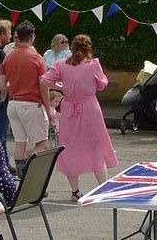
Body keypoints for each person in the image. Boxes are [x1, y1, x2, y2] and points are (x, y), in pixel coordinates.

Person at [41, 34, 116, 200]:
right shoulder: (93, 64)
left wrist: (60, 86)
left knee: (69, 147)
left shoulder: (61, 64)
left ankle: (75, 191)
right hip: (90, 107)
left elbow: (43, 81)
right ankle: (103, 188)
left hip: (69, 108)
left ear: (73, 48)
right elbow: (102, 85)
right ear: (88, 48)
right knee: (96, 145)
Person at [0, 21, 50, 167]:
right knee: (42, 142)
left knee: (20, 142)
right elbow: (43, 85)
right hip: (31, 103)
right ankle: (30, 169)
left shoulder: (7, 57)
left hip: (13, 104)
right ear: (32, 37)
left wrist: (15, 85)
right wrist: (48, 110)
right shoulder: (37, 58)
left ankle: (21, 176)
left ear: (17, 37)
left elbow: (2, 86)